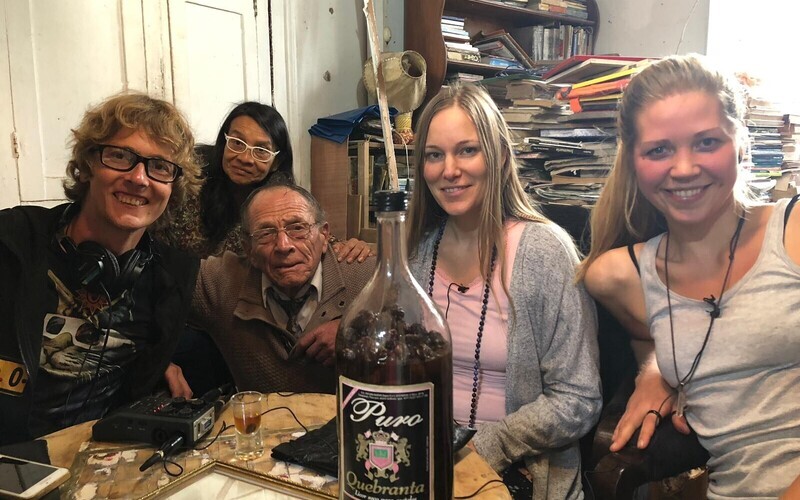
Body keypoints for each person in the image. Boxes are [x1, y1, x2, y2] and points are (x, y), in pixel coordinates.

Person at [579, 54, 800, 498]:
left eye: (706, 142)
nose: (683, 169)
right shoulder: (620, 276)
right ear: (633, 161)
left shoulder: (792, 231)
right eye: (659, 150)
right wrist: (656, 372)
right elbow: (658, 340)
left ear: (741, 141)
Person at [406, 84, 601, 499]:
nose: (449, 170)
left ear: (499, 156)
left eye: (467, 150)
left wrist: (487, 446)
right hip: (425, 454)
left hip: (519, 469)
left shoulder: (544, 253)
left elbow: (578, 398)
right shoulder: (418, 251)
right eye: (434, 155)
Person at [0, 92, 202, 444]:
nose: (139, 178)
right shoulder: (12, 241)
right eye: (120, 156)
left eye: (160, 166)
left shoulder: (172, 274)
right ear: (87, 164)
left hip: (105, 458)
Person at [181, 182, 375, 394]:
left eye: (298, 228)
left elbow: (404, 331)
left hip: (353, 416)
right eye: (265, 233)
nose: (283, 245)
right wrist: (163, 365)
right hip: (261, 416)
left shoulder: (369, 275)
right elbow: (157, 283)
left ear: (324, 235)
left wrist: (356, 332)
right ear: (248, 249)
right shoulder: (222, 282)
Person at [156, 101, 371, 262]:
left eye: (261, 150)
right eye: (237, 143)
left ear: (276, 162)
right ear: (224, 142)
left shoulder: (282, 198)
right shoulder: (190, 179)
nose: (245, 158)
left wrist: (350, 248)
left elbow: (306, 235)